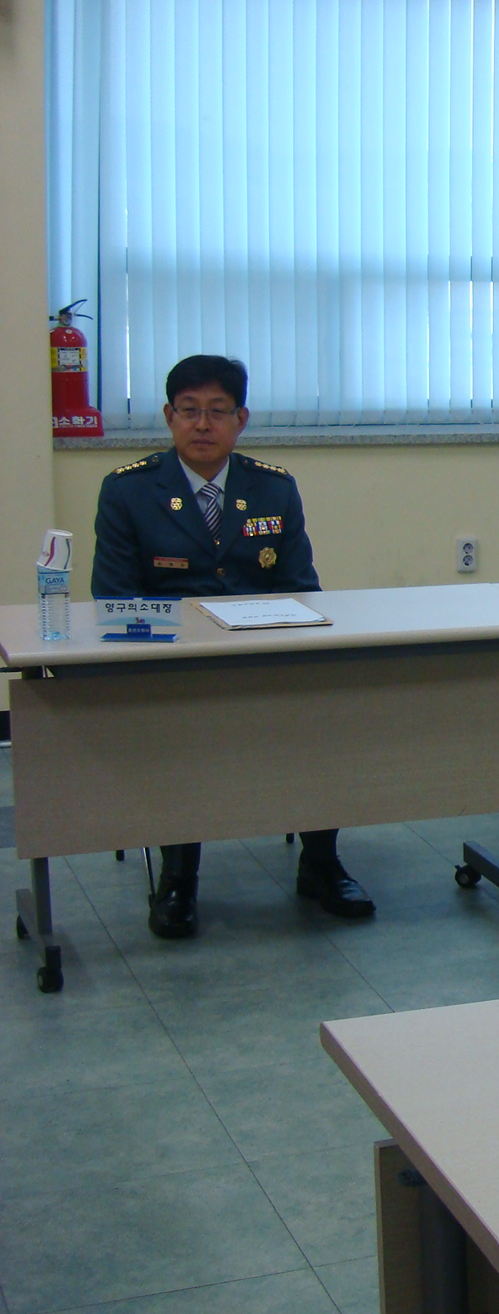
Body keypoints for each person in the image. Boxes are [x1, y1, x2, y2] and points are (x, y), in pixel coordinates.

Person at [92, 355, 376, 938]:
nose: (202, 424)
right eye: (189, 411)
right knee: (180, 731)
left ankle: (321, 864)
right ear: (168, 417)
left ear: (240, 419)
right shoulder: (129, 490)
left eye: (217, 412)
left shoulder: (273, 488)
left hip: (265, 659)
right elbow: (114, 598)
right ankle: (179, 878)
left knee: (328, 711)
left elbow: (301, 588)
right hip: (173, 667)